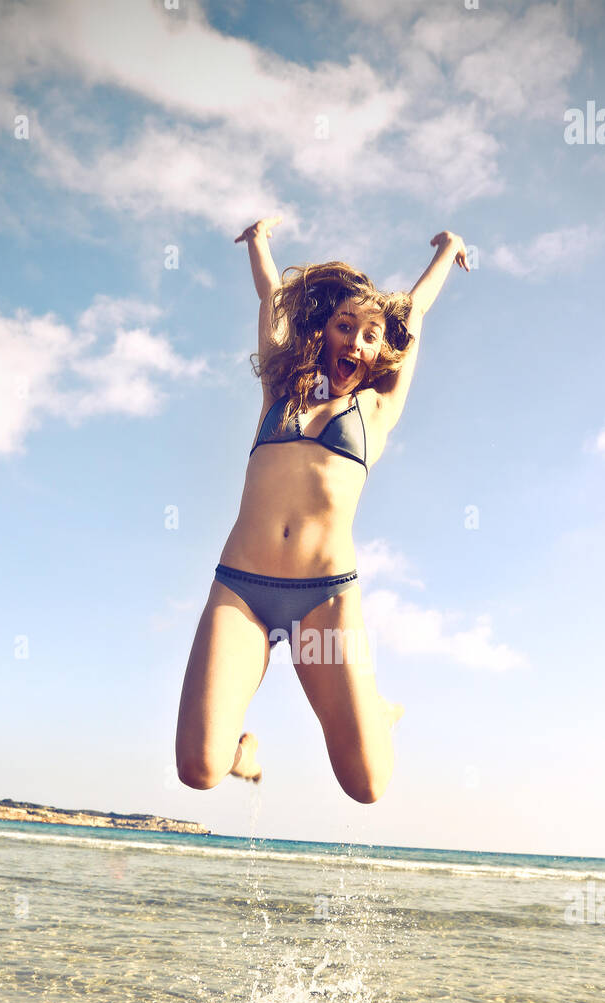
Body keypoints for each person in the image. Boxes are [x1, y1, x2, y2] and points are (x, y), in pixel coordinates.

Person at [175, 217, 469, 803]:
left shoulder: (377, 409)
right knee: (198, 768)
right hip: (241, 591)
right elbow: (270, 298)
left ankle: (377, 714)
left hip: (324, 601)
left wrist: (449, 250)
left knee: (367, 786)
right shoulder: (280, 391)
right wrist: (259, 241)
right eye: (345, 327)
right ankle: (243, 749)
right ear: (325, 332)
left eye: (369, 335)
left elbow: (414, 311)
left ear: (381, 348)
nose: (355, 343)